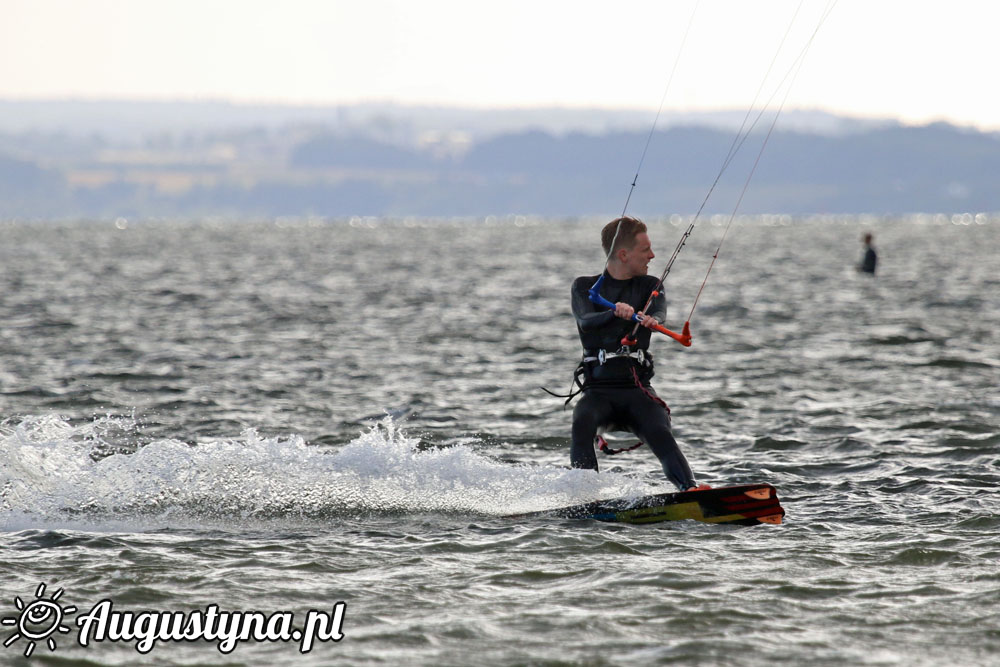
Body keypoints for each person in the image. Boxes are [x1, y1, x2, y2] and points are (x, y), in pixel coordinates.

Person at [569, 216, 707, 492]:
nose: (652, 256)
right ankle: (583, 498)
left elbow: (660, 311)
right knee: (582, 418)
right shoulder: (585, 287)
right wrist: (613, 313)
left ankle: (689, 489)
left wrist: (653, 319)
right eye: (645, 250)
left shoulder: (649, 285)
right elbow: (585, 320)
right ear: (623, 254)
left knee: (659, 429)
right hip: (599, 393)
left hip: (637, 390)